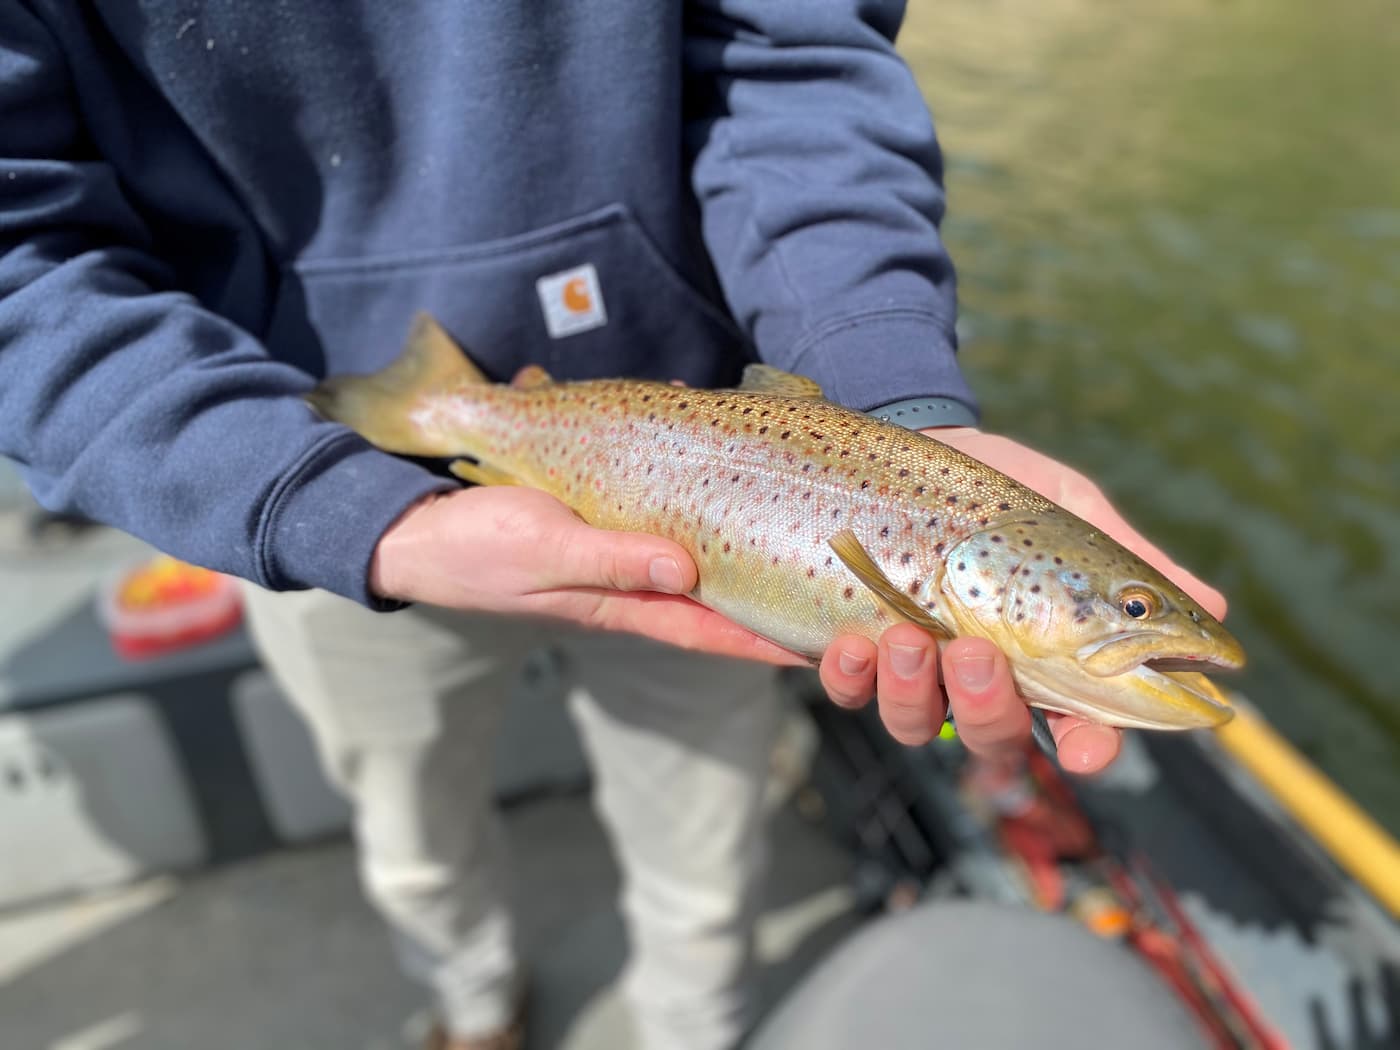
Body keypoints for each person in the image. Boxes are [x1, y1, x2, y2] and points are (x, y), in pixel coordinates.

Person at [0, 3, 1225, 1049]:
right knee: (410, 823)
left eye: (1124, 611)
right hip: (326, 485)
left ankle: (693, 1025)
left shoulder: (944, 547)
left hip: (692, 513)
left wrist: (891, 389)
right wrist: (335, 505)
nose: (1138, 622)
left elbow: (790, 62)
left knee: (704, 832)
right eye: (1125, 608)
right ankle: (470, 1007)